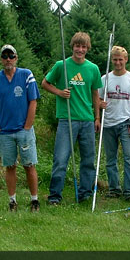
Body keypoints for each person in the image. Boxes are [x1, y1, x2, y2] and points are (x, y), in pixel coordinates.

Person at [42, 32, 102, 204]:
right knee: (61, 159)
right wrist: (59, 92)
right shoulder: (62, 65)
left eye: (83, 47)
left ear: (87, 49)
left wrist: (97, 117)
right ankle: (54, 196)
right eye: (77, 46)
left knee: (88, 160)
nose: (80, 49)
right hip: (67, 119)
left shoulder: (93, 69)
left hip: (87, 120)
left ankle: (85, 194)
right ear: (72, 46)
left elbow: (95, 93)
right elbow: (45, 83)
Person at [0, 45, 41, 212]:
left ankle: (34, 200)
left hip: (24, 130)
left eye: (11, 56)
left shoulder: (26, 75)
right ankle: (12, 201)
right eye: (4, 56)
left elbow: (33, 100)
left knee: (29, 165)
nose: (8, 59)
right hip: (5, 132)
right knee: (10, 166)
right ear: (1, 59)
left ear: (16, 58)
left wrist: (28, 125)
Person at [99, 46, 130, 201]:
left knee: (129, 158)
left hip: (126, 123)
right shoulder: (105, 79)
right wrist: (99, 105)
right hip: (108, 124)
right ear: (112, 60)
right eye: (115, 60)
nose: (118, 63)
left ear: (126, 59)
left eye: (120, 59)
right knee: (110, 159)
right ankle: (114, 189)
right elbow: (97, 99)